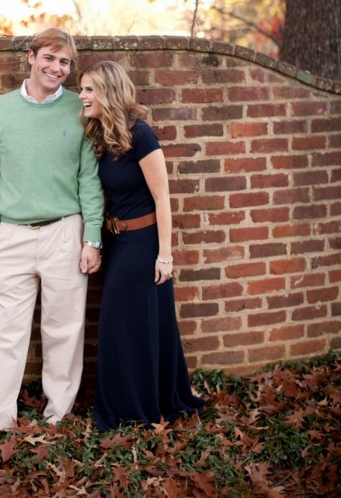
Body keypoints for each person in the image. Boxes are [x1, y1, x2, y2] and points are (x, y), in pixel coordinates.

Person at [0, 28, 104, 451]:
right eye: (50, 59)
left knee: (64, 328)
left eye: (65, 63)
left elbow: (89, 178)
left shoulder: (80, 110)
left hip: (65, 232)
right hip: (11, 235)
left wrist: (92, 237)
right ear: (31, 58)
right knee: (3, 332)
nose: (57, 68)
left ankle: (58, 415)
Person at [78, 59, 205, 430]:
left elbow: (163, 198)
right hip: (117, 241)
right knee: (128, 326)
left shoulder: (142, 134)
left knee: (123, 325)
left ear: (108, 92)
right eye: (82, 89)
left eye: (89, 89)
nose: (82, 96)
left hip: (143, 243)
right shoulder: (103, 134)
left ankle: (135, 410)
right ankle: (131, 403)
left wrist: (165, 256)